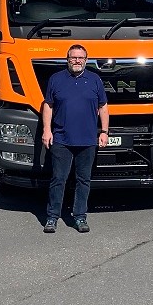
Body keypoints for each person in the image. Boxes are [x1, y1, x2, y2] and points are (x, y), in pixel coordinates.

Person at [40, 44, 108, 233]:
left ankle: (80, 217)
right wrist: (47, 130)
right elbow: (48, 105)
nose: (77, 61)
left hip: (88, 140)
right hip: (61, 139)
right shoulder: (56, 79)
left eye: (80, 58)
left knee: (83, 180)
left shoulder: (95, 80)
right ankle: (52, 217)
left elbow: (103, 106)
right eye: (73, 57)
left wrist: (104, 131)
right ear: (67, 59)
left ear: (86, 60)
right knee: (58, 179)